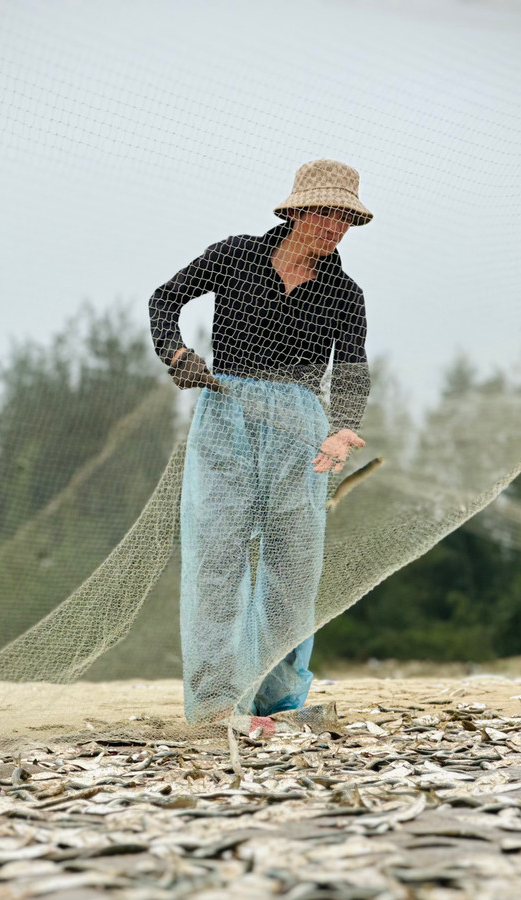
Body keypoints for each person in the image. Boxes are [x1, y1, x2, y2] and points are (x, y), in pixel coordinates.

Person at [149, 159, 372, 729]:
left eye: (344, 218)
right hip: (226, 411)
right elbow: (163, 300)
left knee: (293, 564)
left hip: (300, 424)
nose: (333, 226)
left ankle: (277, 702)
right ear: (296, 210)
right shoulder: (236, 256)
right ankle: (217, 702)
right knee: (216, 558)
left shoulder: (345, 293)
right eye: (324, 212)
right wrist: (175, 354)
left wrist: (342, 428)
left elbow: (350, 371)